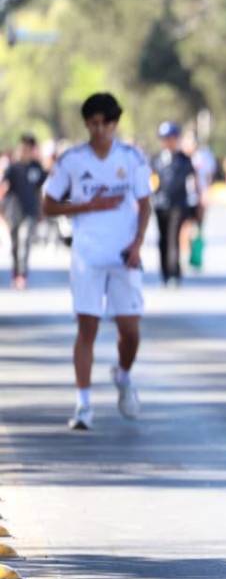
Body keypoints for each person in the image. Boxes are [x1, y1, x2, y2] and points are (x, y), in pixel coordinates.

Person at [42, 92, 152, 431]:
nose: (99, 129)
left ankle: (123, 374)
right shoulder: (72, 161)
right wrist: (86, 207)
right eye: (93, 123)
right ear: (87, 124)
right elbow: (48, 205)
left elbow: (145, 204)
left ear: (115, 124)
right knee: (86, 327)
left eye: (105, 123)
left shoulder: (132, 158)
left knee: (130, 331)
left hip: (123, 256)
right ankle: (84, 404)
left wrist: (136, 245)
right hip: (87, 256)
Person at [150, 121, 202, 286]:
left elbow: (193, 183)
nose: (168, 141)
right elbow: (150, 181)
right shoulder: (156, 160)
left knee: (174, 239)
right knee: (163, 239)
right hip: (160, 205)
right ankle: (164, 273)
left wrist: (197, 204)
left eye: (171, 138)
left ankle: (174, 272)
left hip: (178, 205)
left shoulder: (185, 160)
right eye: (165, 138)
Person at [1, 134, 47, 289]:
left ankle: (22, 275)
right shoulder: (12, 168)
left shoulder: (37, 167)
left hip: (30, 210)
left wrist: (42, 209)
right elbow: (4, 188)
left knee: (25, 240)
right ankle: (15, 272)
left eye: (28, 148)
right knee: (15, 245)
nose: (25, 151)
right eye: (23, 148)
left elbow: (39, 189)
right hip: (13, 211)